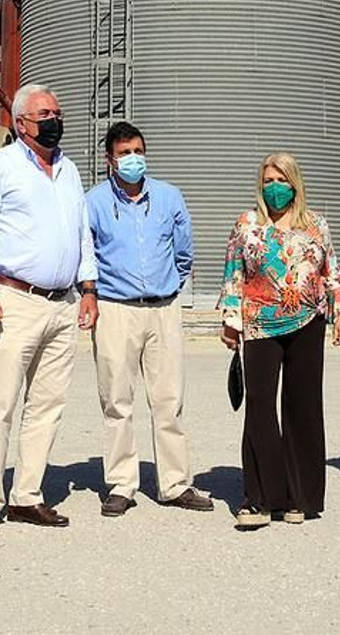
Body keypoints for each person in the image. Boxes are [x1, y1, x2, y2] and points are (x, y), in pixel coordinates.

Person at [0, 84, 96, 536]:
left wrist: (89, 290)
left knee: (47, 404)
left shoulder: (70, 171)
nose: (54, 119)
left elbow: (82, 236)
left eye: (58, 112)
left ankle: (27, 496)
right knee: (0, 402)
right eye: (45, 114)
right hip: (12, 299)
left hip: (62, 303)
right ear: (21, 123)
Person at [85, 121, 213, 517]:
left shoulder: (169, 197)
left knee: (169, 398)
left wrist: (170, 284)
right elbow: (85, 254)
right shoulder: (94, 203)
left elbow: (184, 251)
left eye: (137, 151)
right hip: (115, 308)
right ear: (110, 159)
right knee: (117, 399)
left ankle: (174, 484)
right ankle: (122, 483)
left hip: (162, 307)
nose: (132, 159)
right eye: (124, 153)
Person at [219, 152, 340, 530]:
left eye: (281, 180)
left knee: (304, 407)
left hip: (308, 319)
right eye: (267, 181)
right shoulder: (248, 225)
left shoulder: (316, 225)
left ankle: (299, 497)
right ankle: (259, 499)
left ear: (295, 183)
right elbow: (233, 274)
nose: (274, 188)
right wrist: (230, 320)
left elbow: (331, 270)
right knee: (259, 407)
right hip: (259, 322)